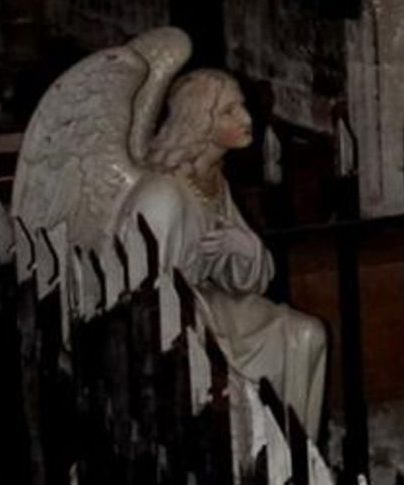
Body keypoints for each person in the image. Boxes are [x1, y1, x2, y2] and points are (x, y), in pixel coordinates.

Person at [125, 68, 328, 440]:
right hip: (175, 326)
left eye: (242, 107)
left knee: (306, 336)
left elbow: (252, 282)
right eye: (229, 111)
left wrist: (246, 249)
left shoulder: (213, 181)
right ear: (199, 121)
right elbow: (144, 298)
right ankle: (251, 462)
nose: (246, 118)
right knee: (227, 385)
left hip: (210, 305)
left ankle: (297, 458)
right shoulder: (162, 195)